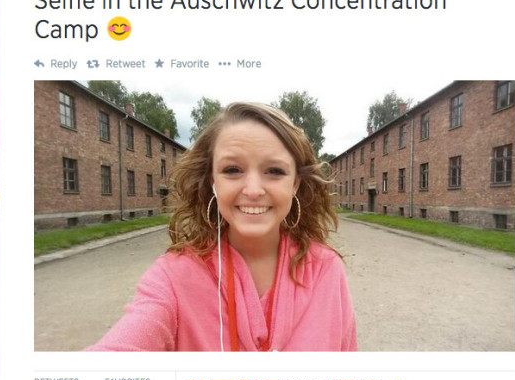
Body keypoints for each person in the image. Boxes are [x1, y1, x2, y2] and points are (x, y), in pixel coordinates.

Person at [87, 102, 357, 352]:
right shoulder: (172, 278)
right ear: (212, 181)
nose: (253, 190)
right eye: (232, 170)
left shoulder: (326, 270)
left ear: (295, 183)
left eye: (274, 171)